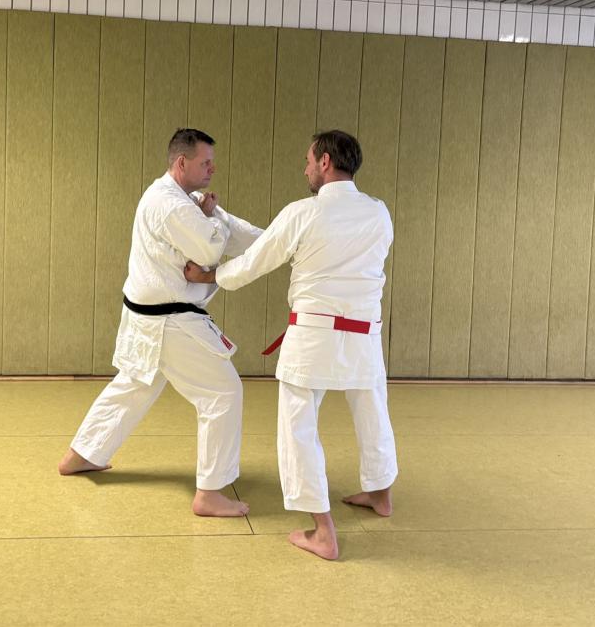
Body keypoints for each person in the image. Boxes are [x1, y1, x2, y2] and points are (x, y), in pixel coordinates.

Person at [184, 130, 397, 559]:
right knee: (372, 408)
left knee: (298, 425)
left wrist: (209, 275)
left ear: (324, 162)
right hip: (365, 333)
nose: (305, 169)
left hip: (314, 333)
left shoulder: (303, 212)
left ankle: (323, 531)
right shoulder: (379, 212)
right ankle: (380, 494)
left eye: (307, 161)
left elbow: (255, 262)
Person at [58, 128, 263, 517]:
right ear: (182, 162)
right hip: (170, 321)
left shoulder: (185, 200)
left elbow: (233, 231)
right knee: (223, 393)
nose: (213, 168)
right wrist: (210, 219)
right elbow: (212, 247)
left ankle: (82, 454)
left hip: (148, 318)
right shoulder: (171, 205)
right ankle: (210, 493)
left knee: (135, 385)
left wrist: (279, 242)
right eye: (206, 162)